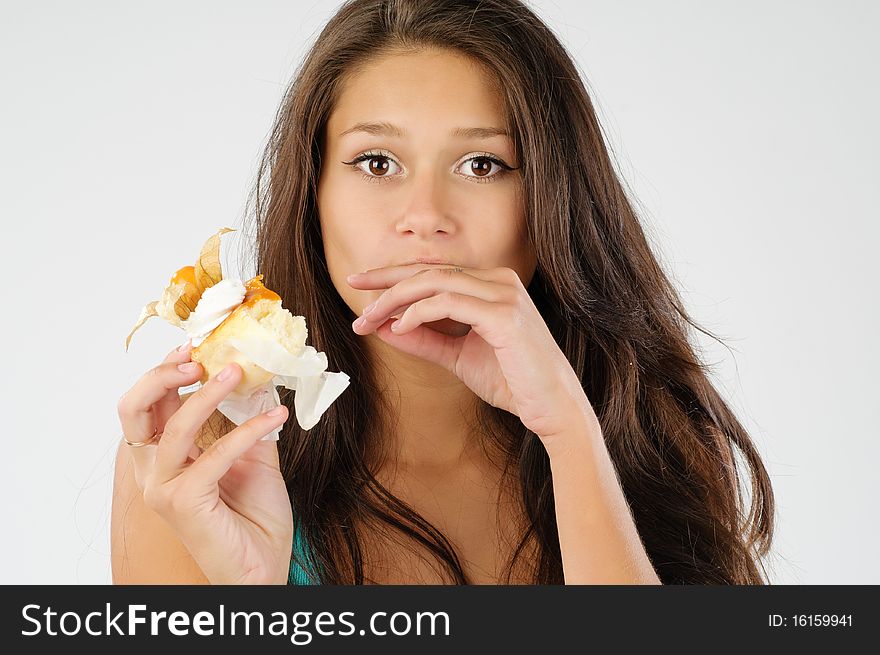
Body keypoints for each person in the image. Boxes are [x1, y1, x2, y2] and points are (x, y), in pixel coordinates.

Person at [112, 0, 775, 585]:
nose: (424, 215)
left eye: (481, 164)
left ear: (550, 200)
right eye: (377, 162)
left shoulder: (659, 431)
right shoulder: (199, 459)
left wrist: (571, 433)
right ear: (313, 193)